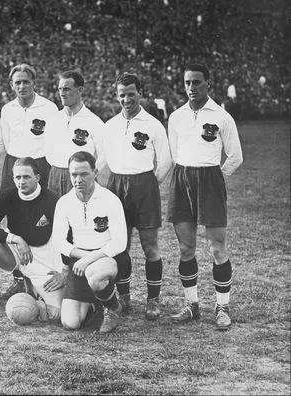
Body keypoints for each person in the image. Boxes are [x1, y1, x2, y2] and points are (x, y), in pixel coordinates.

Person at [167, 64, 243, 330]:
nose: (191, 88)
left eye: (197, 82)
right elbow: (174, 153)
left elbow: (235, 157)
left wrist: (216, 178)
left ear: (208, 84)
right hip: (182, 178)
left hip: (210, 180)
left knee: (217, 248)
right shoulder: (176, 116)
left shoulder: (222, 117)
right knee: (186, 248)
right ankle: (192, 305)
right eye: (187, 82)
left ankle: (222, 307)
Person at [98, 73, 172, 320]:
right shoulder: (109, 125)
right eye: (122, 95)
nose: (126, 99)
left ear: (140, 92)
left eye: (131, 93)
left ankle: (153, 299)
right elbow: (104, 159)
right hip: (116, 185)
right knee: (120, 246)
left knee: (150, 245)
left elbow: (164, 163)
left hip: (144, 184)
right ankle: (125, 296)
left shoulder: (153, 124)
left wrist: (149, 184)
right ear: (116, 96)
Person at [0, 157, 66, 331]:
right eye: (17, 177)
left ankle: (35, 294)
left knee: (57, 315)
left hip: (44, 258)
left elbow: (67, 237)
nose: (21, 181)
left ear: (38, 177)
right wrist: (15, 239)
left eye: (26, 177)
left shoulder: (52, 200)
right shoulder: (8, 196)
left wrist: (64, 271)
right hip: (17, 252)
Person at [0, 63, 59, 298]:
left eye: (26, 81)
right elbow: (7, 140)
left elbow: (53, 140)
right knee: (15, 219)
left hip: (40, 164)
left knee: (42, 219)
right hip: (14, 164)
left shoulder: (49, 107)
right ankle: (19, 278)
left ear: (34, 83)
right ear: (11, 85)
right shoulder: (7, 109)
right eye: (17, 82)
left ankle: (43, 272)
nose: (22, 86)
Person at [52, 151, 127, 333]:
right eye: (74, 174)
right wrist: (84, 257)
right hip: (80, 260)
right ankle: (97, 303)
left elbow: (120, 242)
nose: (78, 179)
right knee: (70, 323)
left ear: (95, 172)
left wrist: (91, 258)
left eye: (84, 174)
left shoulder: (110, 199)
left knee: (95, 275)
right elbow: (59, 241)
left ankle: (113, 307)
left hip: (108, 257)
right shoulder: (64, 202)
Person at [46, 70, 105, 199]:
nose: (62, 93)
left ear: (80, 90)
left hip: (81, 177)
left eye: (66, 89)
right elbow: (48, 150)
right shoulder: (53, 119)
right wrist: (59, 168)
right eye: (60, 89)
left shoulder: (94, 121)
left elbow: (104, 155)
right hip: (55, 174)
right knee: (54, 215)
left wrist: (88, 174)